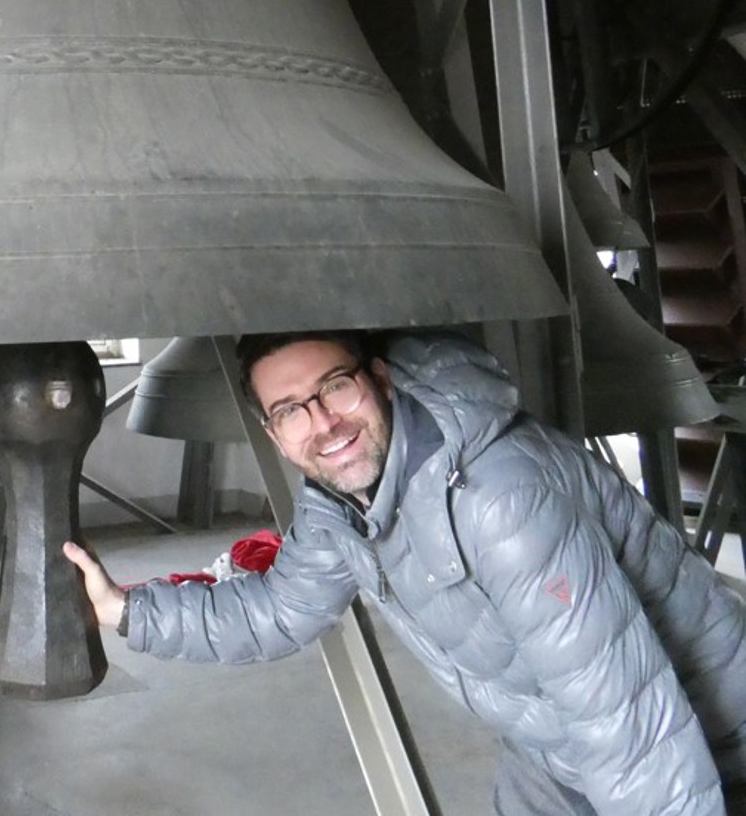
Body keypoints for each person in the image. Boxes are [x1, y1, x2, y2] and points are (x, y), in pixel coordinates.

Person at [63, 330, 746, 816]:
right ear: (273, 435)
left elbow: (627, 722)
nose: (323, 423)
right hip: (552, 744)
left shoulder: (498, 498)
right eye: (290, 411)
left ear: (380, 380)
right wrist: (126, 610)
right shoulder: (341, 507)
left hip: (711, 742)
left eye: (335, 387)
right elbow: (275, 610)